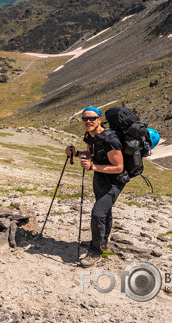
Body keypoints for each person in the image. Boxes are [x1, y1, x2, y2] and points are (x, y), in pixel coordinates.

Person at [66, 106, 127, 268]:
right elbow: (91, 155)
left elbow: (119, 167)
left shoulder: (110, 140)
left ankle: (95, 251)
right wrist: (76, 153)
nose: (88, 121)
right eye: (85, 118)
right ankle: (103, 242)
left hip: (114, 180)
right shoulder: (90, 136)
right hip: (100, 177)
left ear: (99, 119)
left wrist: (92, 167)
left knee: (98, 213)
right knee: (104, 211)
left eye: (92, 118)